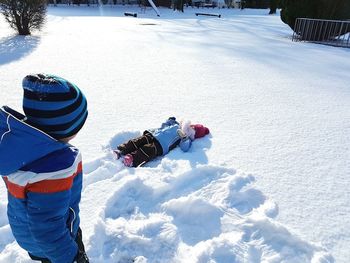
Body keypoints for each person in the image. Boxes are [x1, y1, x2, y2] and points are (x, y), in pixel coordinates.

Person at [0, 74, 89, 263]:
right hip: (52, 244)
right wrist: (72, 257)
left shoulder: (19, 147)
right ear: (68, 127)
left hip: (31, 232)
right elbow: (47, 228)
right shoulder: (53, 167)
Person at [114, 117, 210, 167]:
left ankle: (132, 159)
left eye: (194, 130)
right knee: (138, 141)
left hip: (161, 145)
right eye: (192, 126)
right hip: (153, 134)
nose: (192, 128)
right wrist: (169, 121)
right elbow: (164, 125)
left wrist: (184, 139)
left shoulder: (186, 138)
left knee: (147, 150)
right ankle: (122, 150)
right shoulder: (177, 125)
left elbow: (185, 147)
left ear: (194, 134)